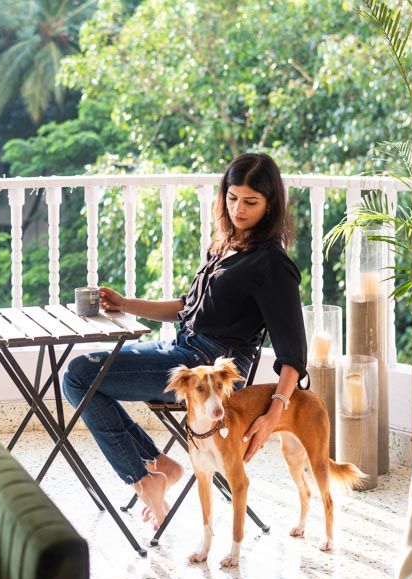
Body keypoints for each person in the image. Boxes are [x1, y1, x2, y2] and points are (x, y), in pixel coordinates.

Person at [62, 152, 307, 529]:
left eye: (251, 202)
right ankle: (158, 468)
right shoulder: (223, 245)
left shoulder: (272, 265)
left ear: (270, 204)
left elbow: (294, 354)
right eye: (232, 197)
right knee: (81, 375)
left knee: (80, 376)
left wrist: (273, 415)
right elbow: (186, 308)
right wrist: (126, 303)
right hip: (181, 350)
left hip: (209, 373)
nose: (239, 209)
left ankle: (147, 477)